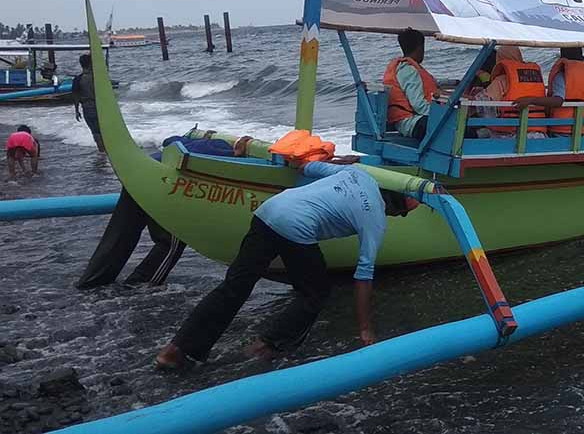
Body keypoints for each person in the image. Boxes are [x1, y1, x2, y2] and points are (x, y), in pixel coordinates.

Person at [154, 160, 418, 369]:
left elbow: (307, 166)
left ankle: (176, 350)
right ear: (394, 208)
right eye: (401, 214)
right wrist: (365, 328)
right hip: (296, 227)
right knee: (315, 293)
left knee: (234, 287)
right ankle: (266, 346)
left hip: (269, 210)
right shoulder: (375, 218)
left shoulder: (356, 172)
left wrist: (340, 162)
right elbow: (364, 275)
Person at [74, 135, 236, 290]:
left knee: (120, 232)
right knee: (172, 239)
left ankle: (92, 280)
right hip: (163, 182)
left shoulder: (192, 141)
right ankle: (141, 283)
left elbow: (168, 141)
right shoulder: (225, 152)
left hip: (140, 174)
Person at [381, 29, 438, 140]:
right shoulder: (409, 71)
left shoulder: (401, 68)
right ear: (420, 48)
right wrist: (443, 114)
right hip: (410, 122)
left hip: (406, 119)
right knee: (454, 124)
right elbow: (418, 105)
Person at [485, 46, 548, 137]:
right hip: (538, 131)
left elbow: (485, 102)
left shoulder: (501, 80)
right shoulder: (535, 77)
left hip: (511, 132)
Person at [72, 54, 105, 153]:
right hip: (102, 108)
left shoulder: (78, 79)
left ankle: (102, 152)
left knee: (95, 132)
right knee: (104, 131)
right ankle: (107, 152)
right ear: (91, 63)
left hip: (87, 108)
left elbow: (75, 96)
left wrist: (77, 111)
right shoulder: (98, 77)